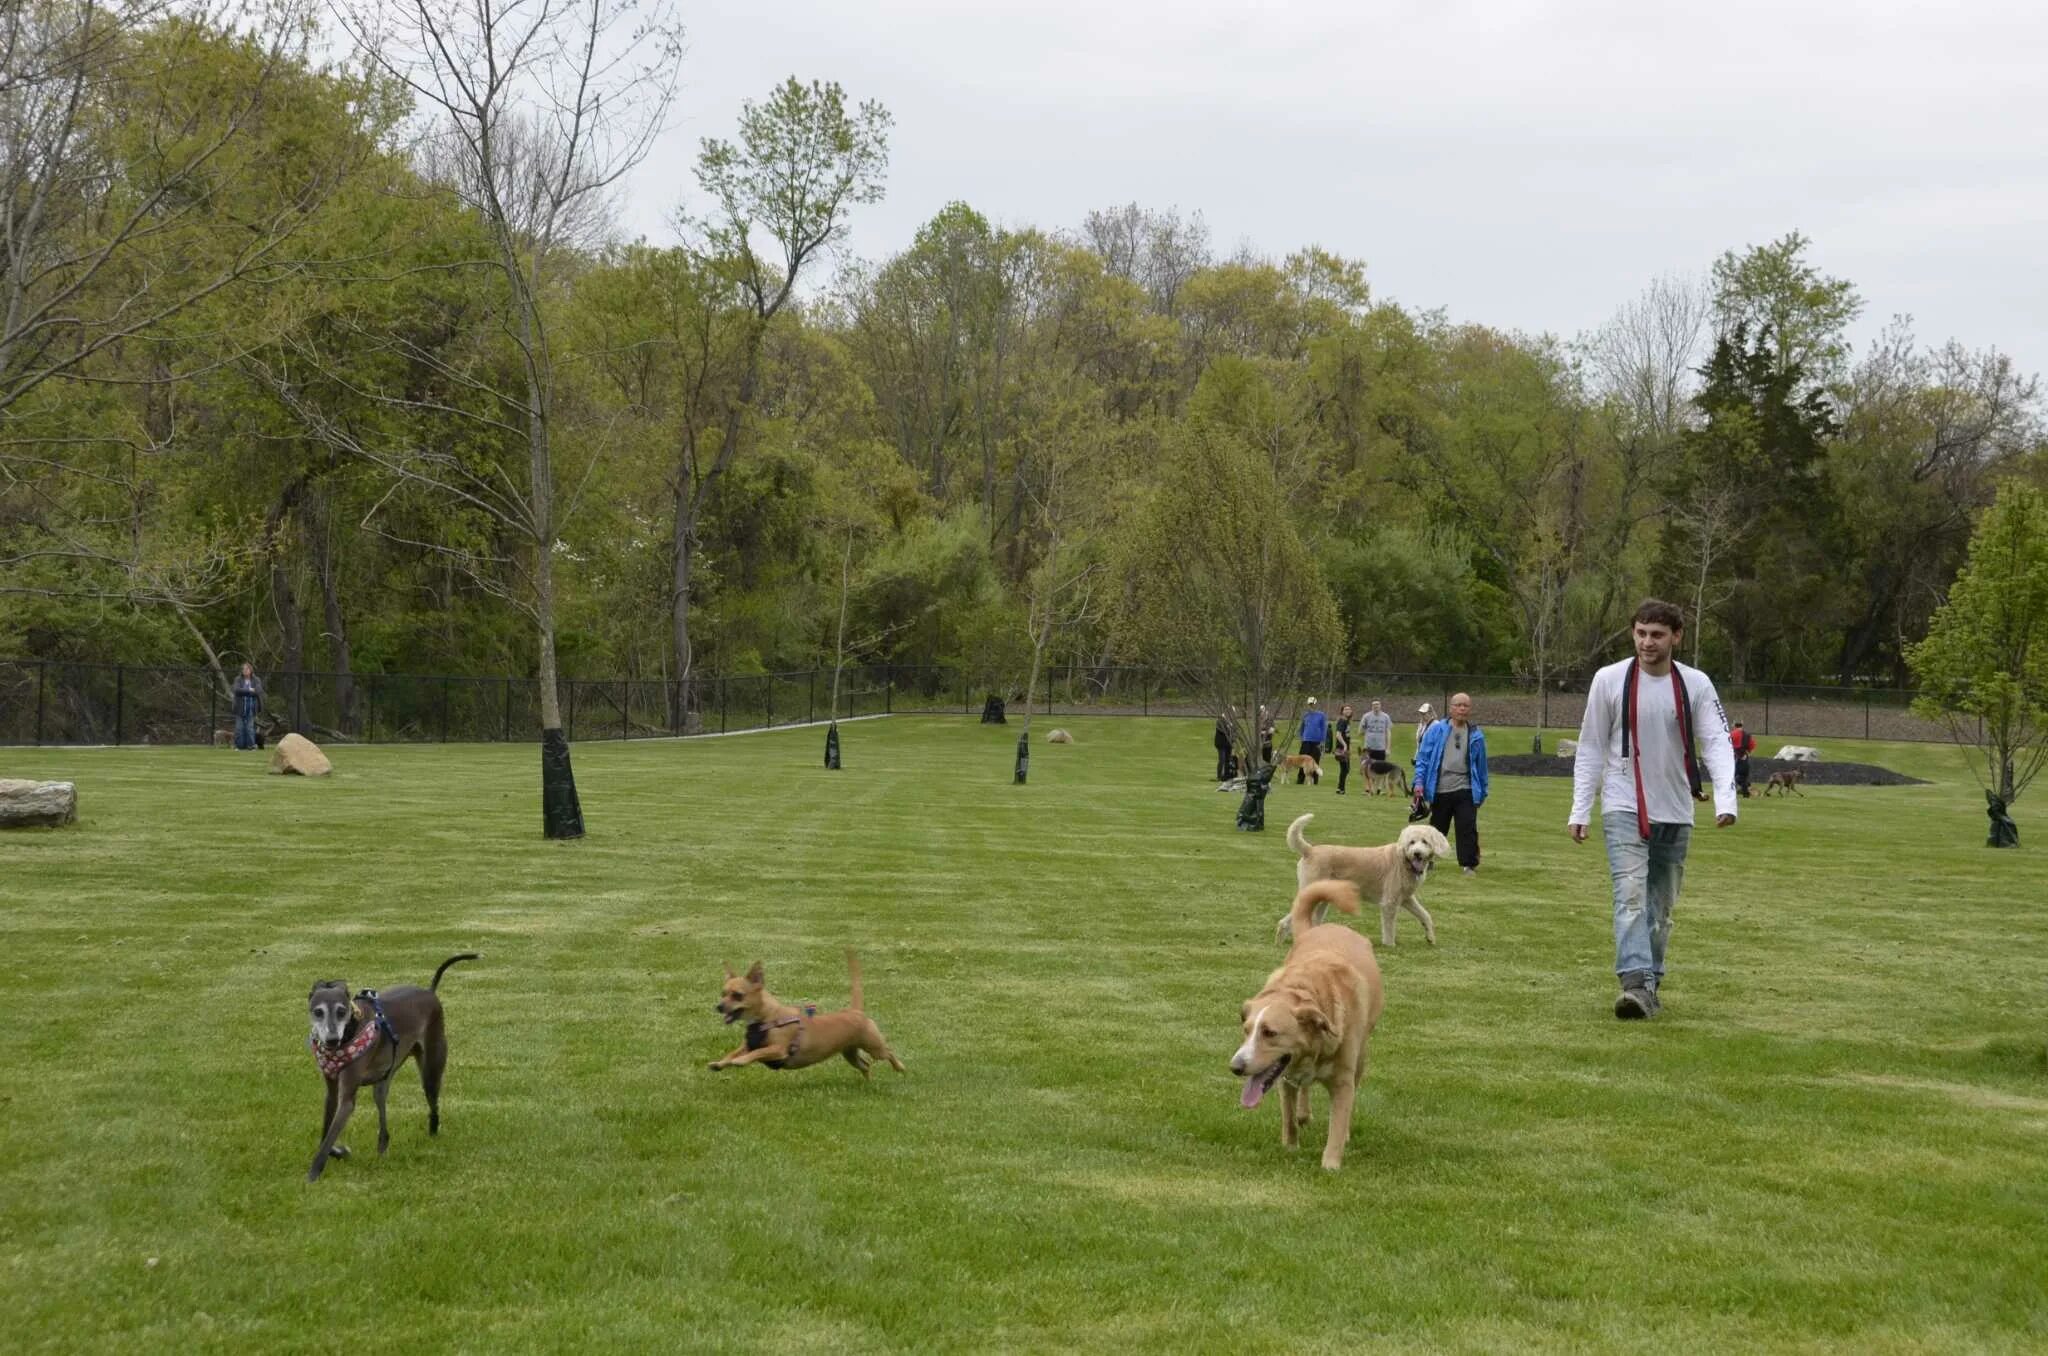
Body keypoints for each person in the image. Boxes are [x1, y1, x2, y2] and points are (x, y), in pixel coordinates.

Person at [1568, 599, 1737, 1020]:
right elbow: (1590, 745)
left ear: (1676, 637)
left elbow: (1717, 740)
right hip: (1623, 805)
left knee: (1659, 909)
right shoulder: (1608, 681)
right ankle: (1634, 983)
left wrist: (1726, 800)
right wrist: (1580, 808)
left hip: (1676, 810)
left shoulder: (1695, 684)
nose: (1647, 642)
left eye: (1657, 635)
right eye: (1641, 633)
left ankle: (1651, 979)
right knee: (1629, 896)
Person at [1412, 693, 1487, 874]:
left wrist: (1482, 790)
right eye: (1459, 705)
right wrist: (1418, 782)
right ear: (1451, 708)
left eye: (1466, 706)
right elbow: (1423, 758)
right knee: (1437, 829)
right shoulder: (1437, 731)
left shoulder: (1475, 734)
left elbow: (1481, 765)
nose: (1462, 709)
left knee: (1467, 827)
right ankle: (1427, 860)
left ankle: (1468, 865)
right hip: (1440, 788)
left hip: (1466, 788)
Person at [232, 662, 265, 751]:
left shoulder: (256, 680)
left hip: (251, 708)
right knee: (239, 728)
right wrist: (250, 690)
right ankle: (239, 746)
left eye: (247, 669)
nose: (245, 671)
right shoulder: (238, 679)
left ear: (250, 670)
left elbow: (258, 691)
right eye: (243, 669)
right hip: (240, 708)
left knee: (250, 728)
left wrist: (246, 691)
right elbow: (236, 690)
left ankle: (251, 746)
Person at [1296, 697, 1327, 783]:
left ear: (1316, 704)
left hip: (1317, 741)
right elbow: (1301, 728)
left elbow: (1324, 728)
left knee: (1315, 760)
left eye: (1313, 704)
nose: (1311, 706)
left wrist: (1323, 741)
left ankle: (1314, 780)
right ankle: (1300, 780)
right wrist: (1301, 738)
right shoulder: (1305, 715)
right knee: (1302, 760)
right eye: (1310, 704)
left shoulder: (1321, 715)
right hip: (1306, 741)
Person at [1360, 698, 1393, 769]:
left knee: (1380, 769)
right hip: (1368, 748)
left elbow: (1388, 733)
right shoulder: (1366, 716)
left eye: (1377, 704)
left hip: (1381, 748)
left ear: (1380, 705)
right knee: (1367, 769)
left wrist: (1388, 748)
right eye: (1374, 705)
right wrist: (1362, 729)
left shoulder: (1386, 717)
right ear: (1371, 706)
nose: (1376, 706)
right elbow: (1361, 732)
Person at [1331, 703, 1354, 795]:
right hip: (1342, 749)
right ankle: (1340, 788)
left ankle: (1340, 788)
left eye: (1349, 709)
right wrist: (1344, 745)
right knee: (1345, 769)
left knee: (1345, 769)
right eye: (1345, 709)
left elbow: (1346, 735)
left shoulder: (1347, 721)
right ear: (1342, 712)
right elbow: (1338, 735)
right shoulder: (1342, 721)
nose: (1348, 711)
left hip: (1346, 748)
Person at [1730, 720, 1756, 797]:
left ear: (1735, 726)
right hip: (1744, 757)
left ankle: (1736, 790)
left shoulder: (1732, 734)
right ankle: (1746, 792)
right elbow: (1752, 745)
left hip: (1734, 757)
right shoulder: (1747, 735)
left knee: (1733, 775)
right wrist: (1748, 751)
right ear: (1742, 726)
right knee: (1743, 776)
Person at [1213, 711, 1235, 781]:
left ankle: (1226, 775)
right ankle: (1219, 776)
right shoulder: (1220, 720)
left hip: (1228, 743)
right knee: (1222, 759)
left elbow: (1235, 731)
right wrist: (1230, 727)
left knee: (1227, 760)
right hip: (1221, 743)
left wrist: (1233, 739)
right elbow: (1224, 731)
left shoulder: (1232, 721)